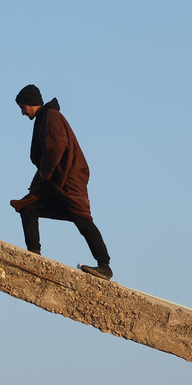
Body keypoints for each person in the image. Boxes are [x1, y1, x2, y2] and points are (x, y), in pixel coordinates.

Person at [11, 84, 113, 280]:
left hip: (69, 181)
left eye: (23, 107)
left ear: (31, 103)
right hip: (56, 185)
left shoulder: (51, 116)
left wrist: (45, 173)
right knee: (28, 208)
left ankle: (105, 266)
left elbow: (57, 144)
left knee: (83, 220)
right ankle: (34, 256)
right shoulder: (43, 119)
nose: (22, 112)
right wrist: (42, 179)